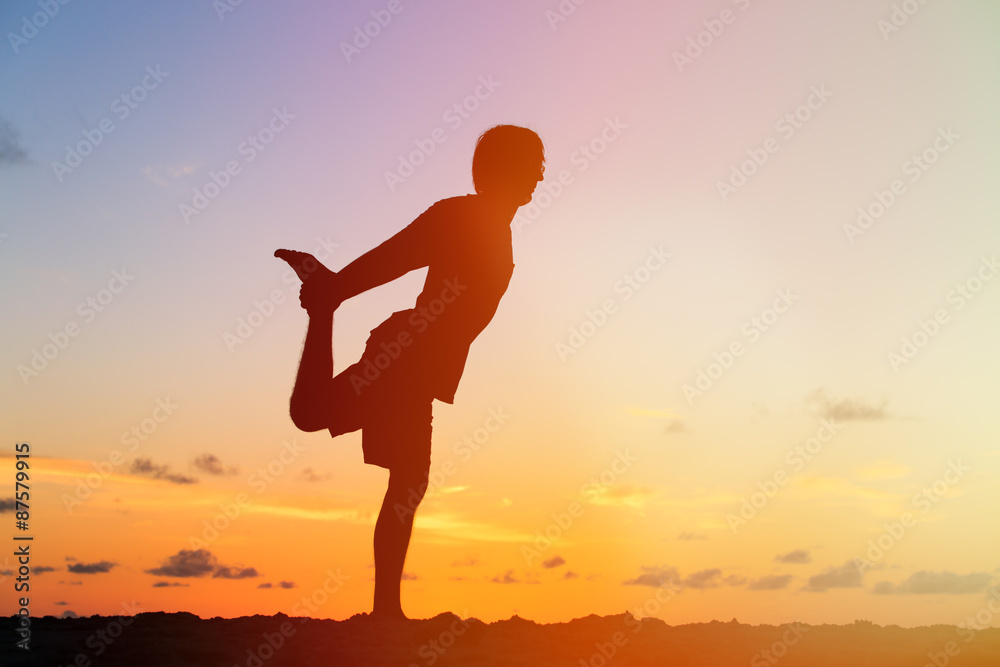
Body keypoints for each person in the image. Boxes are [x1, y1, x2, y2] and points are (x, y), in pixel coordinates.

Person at [275, 125, 544, 619]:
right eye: (533, 163)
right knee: (397, 474)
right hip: (405, 358)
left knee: (399, 476)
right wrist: (335, 290)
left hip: (418, 364)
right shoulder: (462, 215)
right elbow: (395, 259)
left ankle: (385, 612)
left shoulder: (494, 227)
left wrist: (332, 291)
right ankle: (385, 613)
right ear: (501, 170)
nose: (542, 174)